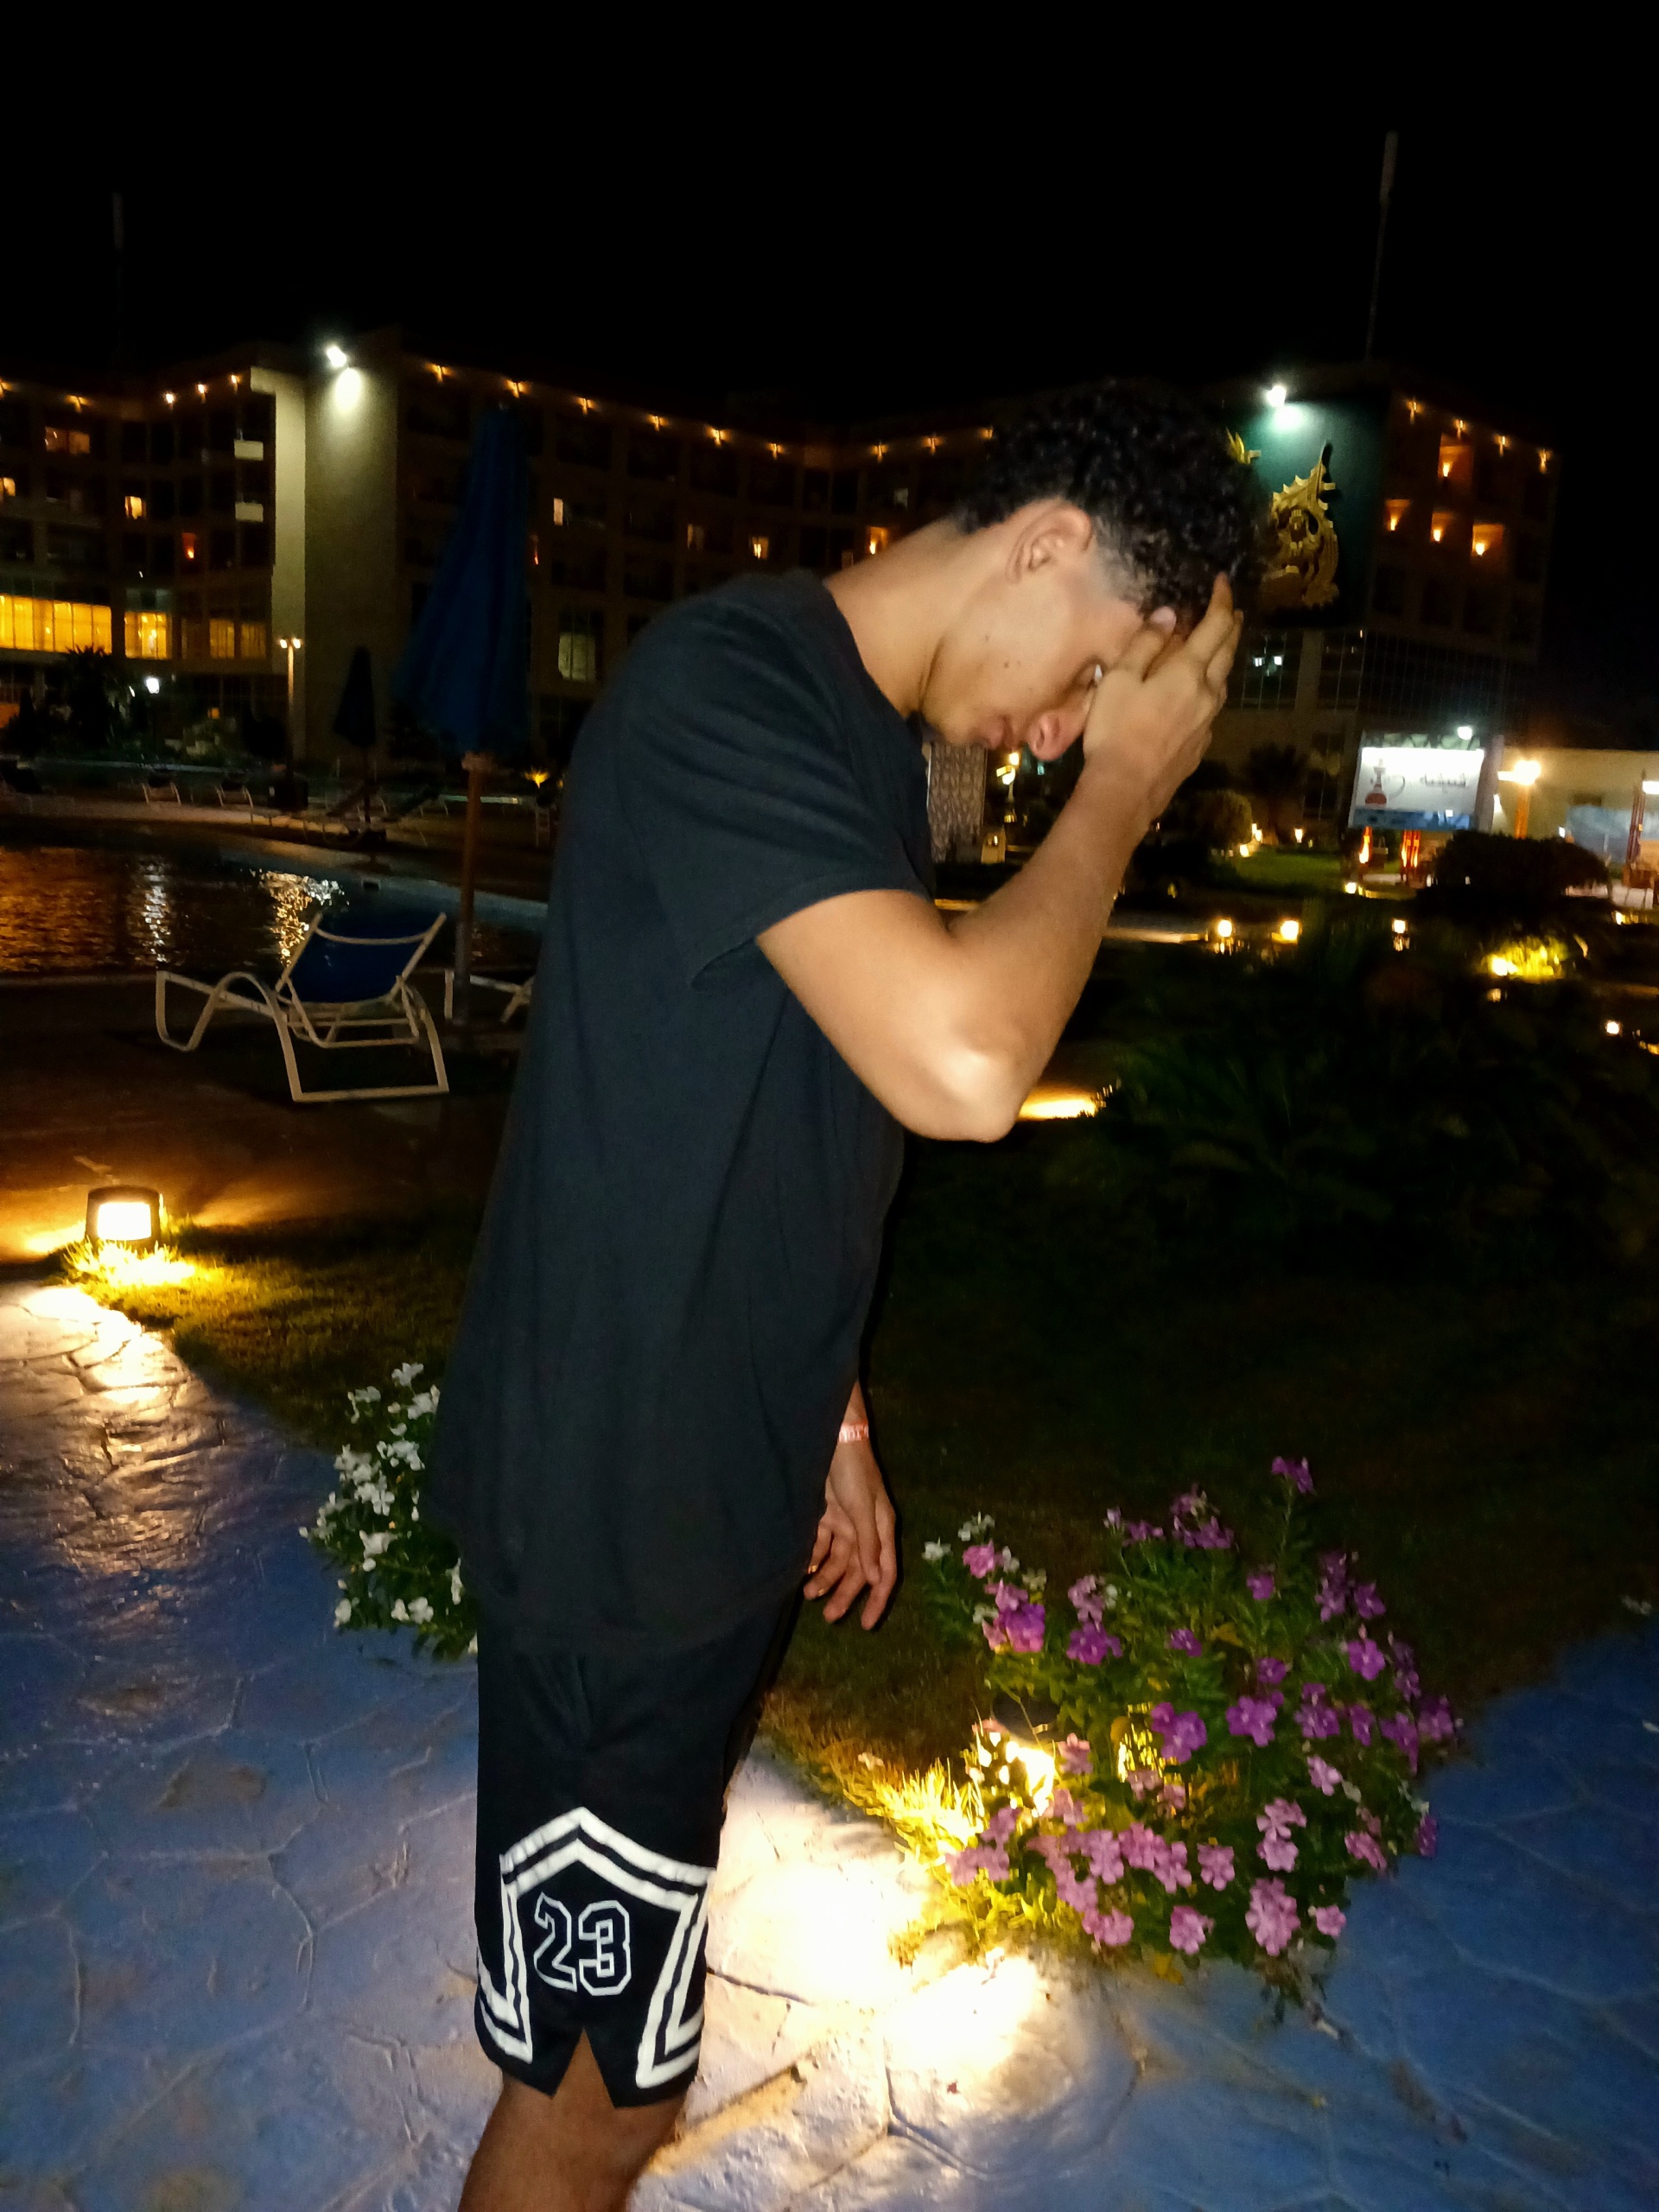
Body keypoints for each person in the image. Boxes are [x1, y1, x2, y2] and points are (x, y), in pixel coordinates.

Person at [427, 380, 1255, 2211]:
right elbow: (962, 1065)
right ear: (1045, 543)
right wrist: (1122, 792)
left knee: (614, 2049)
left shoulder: (863, 747)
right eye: (1087, 674)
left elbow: (816, 1106)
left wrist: (840, 1417)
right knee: (595, 2089)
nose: (1062, 729)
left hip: (713, 1488)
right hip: (614, 1518)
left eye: (1095, 714)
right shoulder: (726, 687)